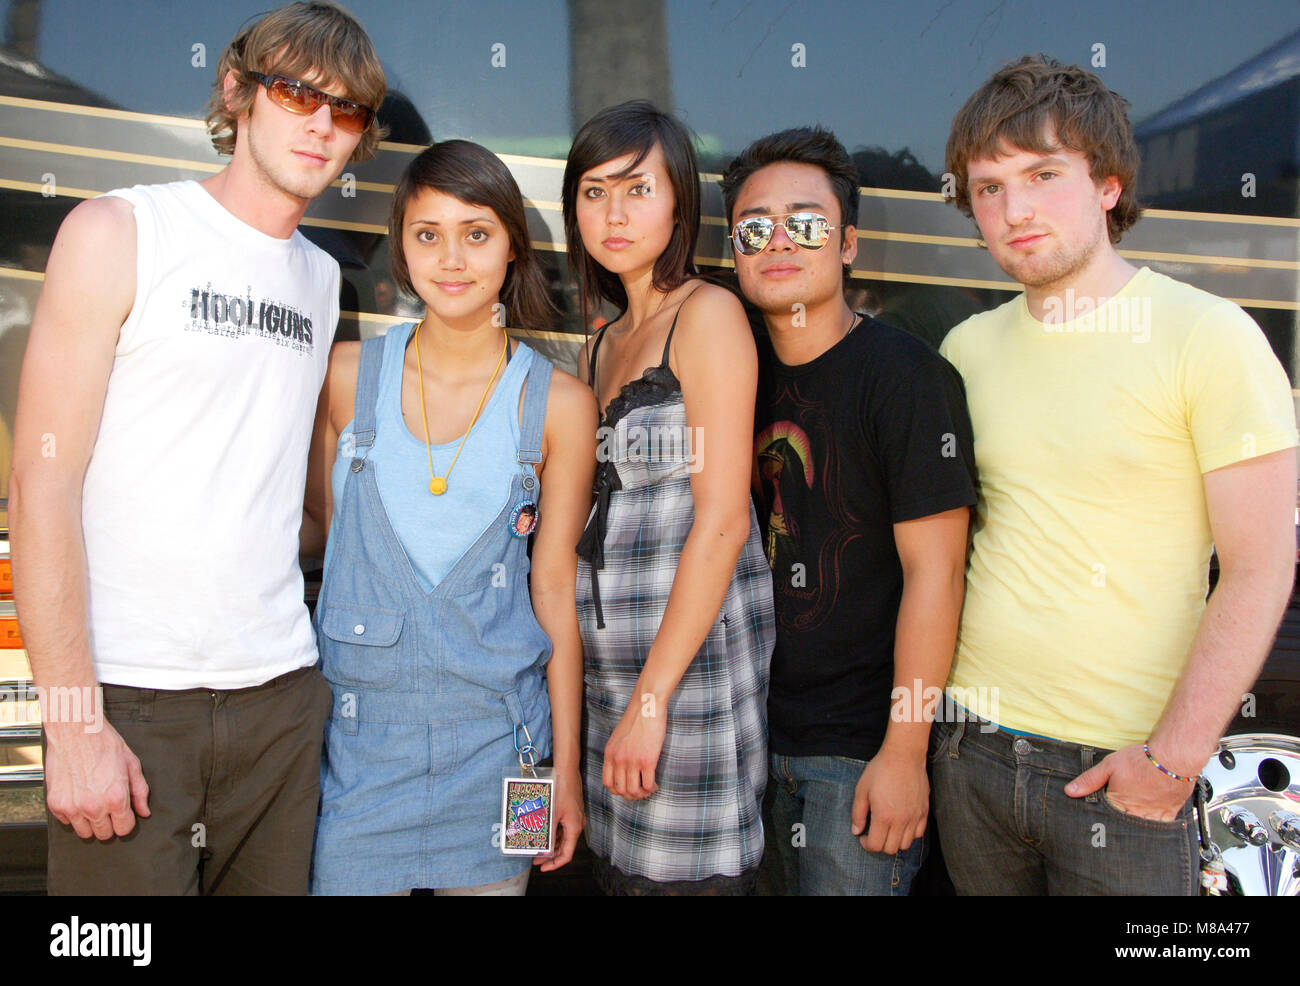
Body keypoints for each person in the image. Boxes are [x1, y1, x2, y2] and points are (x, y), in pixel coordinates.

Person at [8, 1, 386, 894]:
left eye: (348, 110)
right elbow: (40, 486)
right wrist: (70, 723)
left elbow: (275, 487)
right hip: (130, 699)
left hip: (283, 699)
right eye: (296, 92)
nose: (320, 124)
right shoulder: (119, 231)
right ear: (236, 91)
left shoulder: (323, 279)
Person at [932, 54, 1298, 895]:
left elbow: (1259, 567)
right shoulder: (967, 350)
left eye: (1042, 175)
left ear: (1108, 184)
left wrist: (1171, 762)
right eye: (987, 188)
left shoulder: (1209, 337)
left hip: (1121, 772)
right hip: (971, 753)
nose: (1013, 209)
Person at [302, 140, 594, 895]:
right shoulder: (344, 377)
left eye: (477, 232)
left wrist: (563, 768)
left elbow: (553, 591)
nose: (452, 258)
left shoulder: (558, 404)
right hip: (359, 751)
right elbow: (326, 540)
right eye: (428, 233)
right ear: (401, 244)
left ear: (511, 249)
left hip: (509, 753)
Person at [720, 127, 977, 896]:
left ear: (848, 242)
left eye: (806, 223)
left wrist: (903, 751)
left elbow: (937, 575)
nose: (778, 243)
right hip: (741, 737)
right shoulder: (729, 365)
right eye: (753, 228)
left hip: (856, 753)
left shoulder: (906, 376)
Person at [563, 100, 775, 895]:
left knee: (681, 882)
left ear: (680, 201)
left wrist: (652, 702)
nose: (613, 213)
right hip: (607, 678)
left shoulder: (709, 314)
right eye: (593, 191)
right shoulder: (601, 341)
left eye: (637, 189)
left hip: (682, 679)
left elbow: (721, 522)